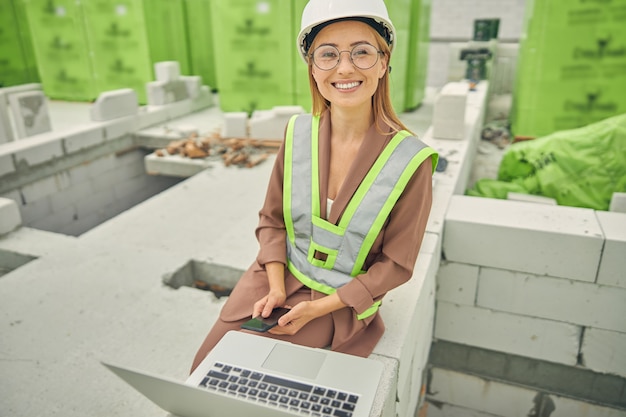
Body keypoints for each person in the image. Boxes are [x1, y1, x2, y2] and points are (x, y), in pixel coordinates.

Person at [191, 0, 438, 373]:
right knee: (204, 372)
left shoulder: (410, 162)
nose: (344, 67)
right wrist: (275, 287)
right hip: (274, 276)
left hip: (338, 301)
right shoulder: (297, 133)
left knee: (259, 379)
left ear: (384, 62)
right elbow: (272, 221)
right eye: (328, 54)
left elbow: (396, 265)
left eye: (362, 52)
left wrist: (319, 307)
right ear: (313, 67)